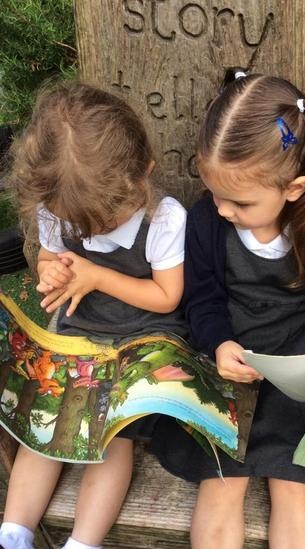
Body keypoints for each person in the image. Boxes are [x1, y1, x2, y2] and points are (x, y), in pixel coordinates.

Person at [149, 69, 305, 549]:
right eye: (214, 192)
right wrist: (219, 343)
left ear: (294, 188)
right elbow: (202, 298)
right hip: (226, 365)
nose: (223, 209)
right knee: (221, 483)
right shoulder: (207, 222)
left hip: (295, 373)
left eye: (239, 202)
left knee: (295, 486)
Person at [0, 82, 187, 549]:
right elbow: (49, 256)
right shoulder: (57, 206)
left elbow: (167, 296)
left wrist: (97, 276)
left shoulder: (164, 218)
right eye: (81, 227)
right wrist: (51, 272)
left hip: (142, 335)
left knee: (108, 435)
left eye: (105, 223)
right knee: (43, 425)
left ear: (144, 173)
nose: (92, 234)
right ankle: (14, 531)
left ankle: (84, 542)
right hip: (81, 328)